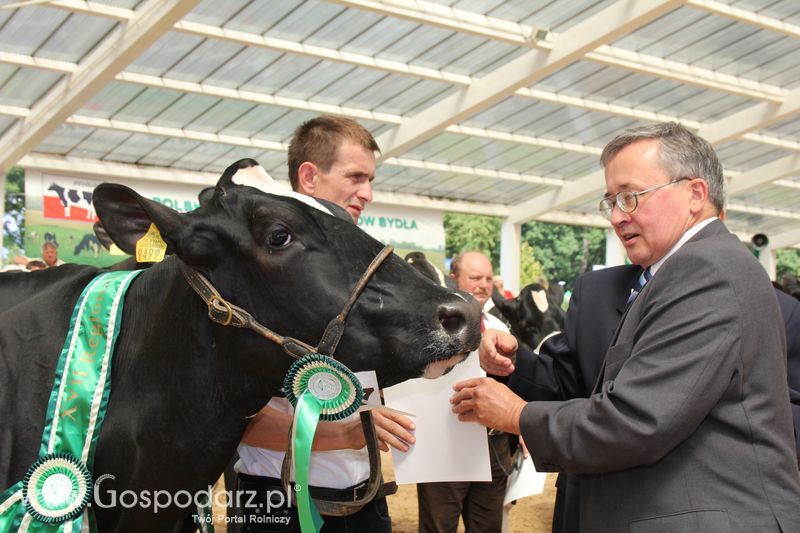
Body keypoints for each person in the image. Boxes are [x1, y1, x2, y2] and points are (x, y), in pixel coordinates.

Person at [451, 122, 800, 532]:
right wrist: (513, 365)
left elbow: (637, 421)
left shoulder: (705, 269)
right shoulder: (675, 272)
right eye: (611, 202)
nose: (617, 217)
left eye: (631, 197)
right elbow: (588, 386)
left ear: (695, 194)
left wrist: (516, 415)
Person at [234, 115, 415, 533]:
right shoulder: (254, 271)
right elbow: (240, 419)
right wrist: (348, 434)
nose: (367, 193)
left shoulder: (365, 272)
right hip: (279, 502)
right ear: (310, 177)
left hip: (366, 498)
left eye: (370, 180)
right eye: (355, 177)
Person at [417, 251, 512, 533]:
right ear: (453, 278)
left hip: (494, 446)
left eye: (488, 279)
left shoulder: (499, 326)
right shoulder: (430, 326)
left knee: (488, 526)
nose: (483, 285)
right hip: (446, 441)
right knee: (439, 526)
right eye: (475, 278)